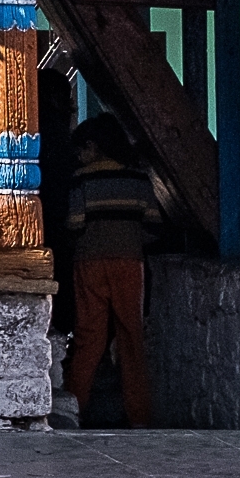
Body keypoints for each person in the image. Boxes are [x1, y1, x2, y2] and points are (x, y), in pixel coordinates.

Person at [63, 116, 169, 427]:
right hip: (129, 264)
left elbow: (74, 224)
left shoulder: (81, 182)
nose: (78, 156)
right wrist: (130, 241)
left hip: (89, 264)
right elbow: (153, 225)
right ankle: (139, 417)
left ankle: (74, 410)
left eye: (81, 150)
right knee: (131, 338)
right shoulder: (138, 181)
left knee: (88, 338)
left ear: (92, 148)